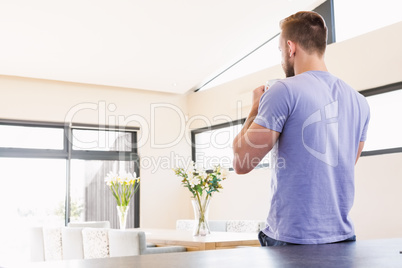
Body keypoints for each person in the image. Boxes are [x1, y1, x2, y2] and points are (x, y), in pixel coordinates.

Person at [232, 11, 370, 246]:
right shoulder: (359, 101)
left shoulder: (283, 91)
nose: (282, 56)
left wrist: (255, 108)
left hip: (294, 240)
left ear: (290, 47)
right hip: (342, 238)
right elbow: (345, 163)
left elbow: (241, 162)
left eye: (279, 50)